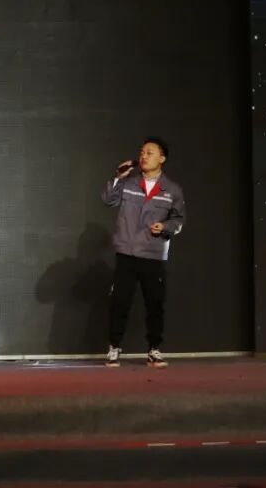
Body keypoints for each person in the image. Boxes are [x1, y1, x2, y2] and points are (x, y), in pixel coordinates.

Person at [101, 137, 186, 369]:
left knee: (155, 304)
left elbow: (178, 220)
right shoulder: (129, 183)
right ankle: (114, 348)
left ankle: (154, 350)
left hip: (153, 254)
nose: (143, 156)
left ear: (162, 158)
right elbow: (108, 200)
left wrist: (165, 227)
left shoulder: (172, 190)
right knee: (119, 302)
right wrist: (118, 177)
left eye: (149, 153)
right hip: (127, 252)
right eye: (142, 152)